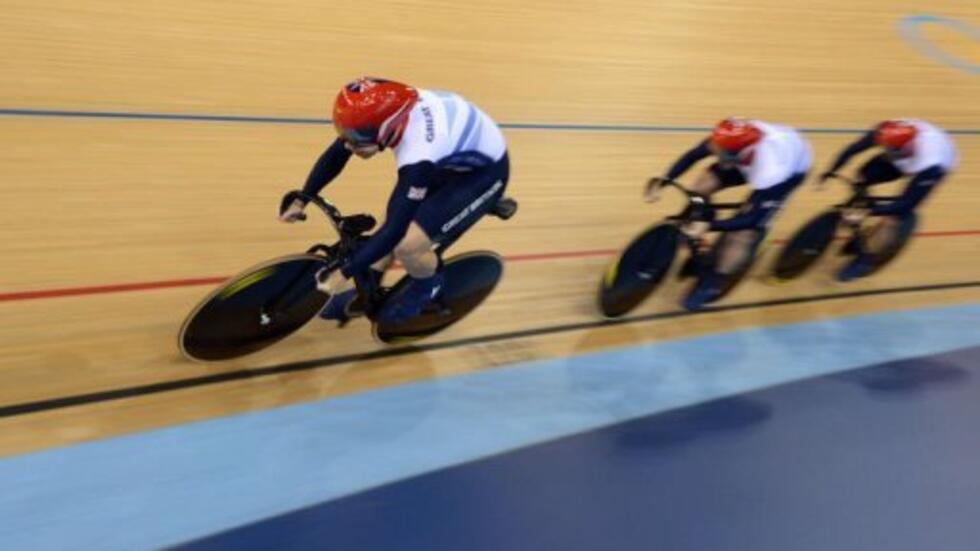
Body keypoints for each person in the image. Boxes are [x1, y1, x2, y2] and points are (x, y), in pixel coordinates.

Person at [280, 77, 511, 323]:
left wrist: (343, 273)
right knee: (393, 220)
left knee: (408, 244)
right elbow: (337, 154)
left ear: (387, 128)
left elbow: (395, 231)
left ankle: (427, 289)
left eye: (355, 136)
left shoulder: (418, 153)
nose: (347, 142)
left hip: (482, 175)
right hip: (449, 156)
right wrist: (304, 197)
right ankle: (369, 288)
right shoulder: (382, 115)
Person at [647, 117, 812, 309]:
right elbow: (694, 155)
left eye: (720, 152)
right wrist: (665, 180)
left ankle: (712, 282)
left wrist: (710, 226)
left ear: (739, 152)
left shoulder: (771, 170)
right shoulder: (727, 139)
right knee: (701, 187)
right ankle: (699, 233)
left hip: (790, 171)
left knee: (743, 235)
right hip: (752, 158)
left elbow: (752, 219)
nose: (714, 152)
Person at [818, 119, 958, 280]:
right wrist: (830, 170)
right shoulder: (885, 131)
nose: (888, 151)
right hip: (906, 155)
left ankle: (865, 259)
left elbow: (906, 203)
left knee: (895, 215)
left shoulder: (931, 164)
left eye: (894, 150)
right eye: (886, 148)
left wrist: (869, 211)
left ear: (908, 147)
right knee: (863, 176)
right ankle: (857, 216)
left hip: (930, 167)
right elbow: (852, 150)